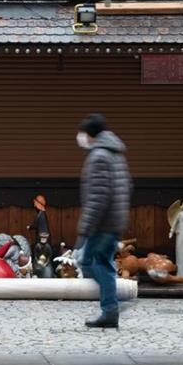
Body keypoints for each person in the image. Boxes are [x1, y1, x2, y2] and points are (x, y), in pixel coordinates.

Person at [74, 113, 132, 328]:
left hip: (103, 223)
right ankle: (111, 303)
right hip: (114, 220)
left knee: (96, 262)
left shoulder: (99, 156)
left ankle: (111, 308)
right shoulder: (116, 153)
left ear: (89, 134)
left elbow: (97, 198)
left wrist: (84, 230)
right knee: (95, 262)